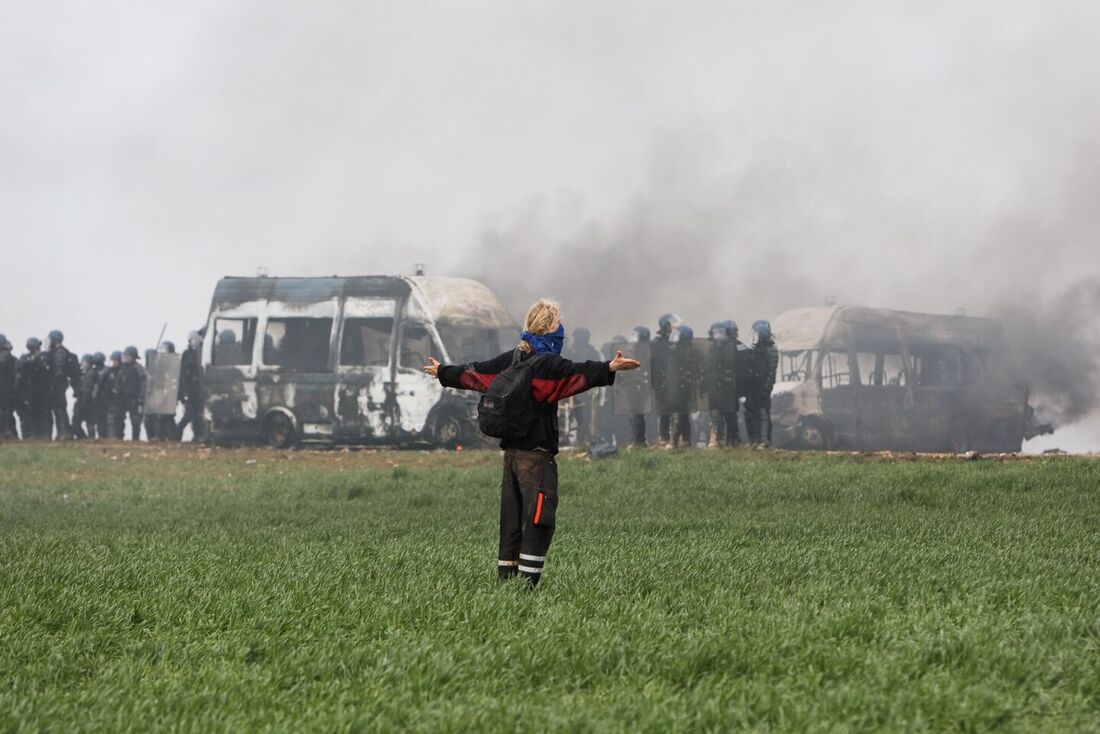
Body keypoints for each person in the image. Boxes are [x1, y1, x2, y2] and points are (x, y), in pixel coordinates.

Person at [423, 298, 640, 588]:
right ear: (550, 327)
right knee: (539, 519)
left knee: (511, 520)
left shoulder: (512, 358)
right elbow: (578, 373)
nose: (561, 326)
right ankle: (527, 587)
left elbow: (476, 372)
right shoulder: (548, 364)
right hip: (536, 457)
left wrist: (444, 372)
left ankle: (506, 583)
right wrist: (609, 367)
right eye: (558, 321)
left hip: (511, 456)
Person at [705, 321, 740, 448]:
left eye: (721, 333)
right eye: (716, 333)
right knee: (715, 414)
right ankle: (716, 438)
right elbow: (707, 369)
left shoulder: (733, 348)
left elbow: (740, 369)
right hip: (714, 388)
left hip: (730, 388)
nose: (718, 336)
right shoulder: (710, 350)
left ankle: (733, 439)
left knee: (730, 415)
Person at [745, 320, 779, 447]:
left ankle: (765, 440)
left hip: (763, 386)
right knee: (749, 412)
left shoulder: (772, 349)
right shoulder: (753, 349)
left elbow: (771, 371)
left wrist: (766, 388)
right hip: (753, 386)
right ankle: (753, 439)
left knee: (763, 412)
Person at [650, 313, 681, 449]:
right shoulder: (656, 343)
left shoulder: (678, 341)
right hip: (662, 382)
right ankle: (664, 439)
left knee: (678, 411)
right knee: (663, 412)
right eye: (672, 324)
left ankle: (677, 440)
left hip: (676, 381)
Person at [15, 337, 49, 439]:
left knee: (41, 413)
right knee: (32, 413)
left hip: (40, 389)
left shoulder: (43, 357)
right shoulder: (27, 358)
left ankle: (41, 434)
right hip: (30, 389)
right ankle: (34, 434)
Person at [625, 325, 651, 447]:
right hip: (631, 384)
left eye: (634, 336)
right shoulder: (631, 350)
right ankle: (638, 440)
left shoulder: (644, 351)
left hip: (639, 385)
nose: (631, 339)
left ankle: (637, 441)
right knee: (635, 413)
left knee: (636, 412)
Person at [177, 331, 205, 441]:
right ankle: (177, 433)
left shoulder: (203, 351)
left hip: (200, 388)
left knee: (197, 414)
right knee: (190, 414)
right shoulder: (187, 354)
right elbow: (182, 372)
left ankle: (197, 435)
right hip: (190, 389)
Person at [119, 346, 146, 441]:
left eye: (128, 356)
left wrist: (141, 398)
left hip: (135, 398)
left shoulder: (138, 368)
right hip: (124, 398)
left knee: (135, 420)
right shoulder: (123, 368)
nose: (125, 357)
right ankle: (119, 438)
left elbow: (143, 383)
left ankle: (135, 439)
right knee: (119, 418)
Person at [98, 351, 125, 439]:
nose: (114, 362)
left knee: (119, 419)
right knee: (110, 418)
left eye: (116, 360)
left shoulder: (123, 371)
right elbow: (101, 381)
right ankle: (111, 436)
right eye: (113, 360)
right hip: (109, 398)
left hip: (120, 399)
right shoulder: (108, 371)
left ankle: (117, 436)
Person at [72, 353, 97, 439]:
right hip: (85, 400)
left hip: (86, 401)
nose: (82, 364)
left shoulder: (90, 374)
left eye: (84, 362)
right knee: (87, 422)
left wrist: (83, 402)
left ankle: (86, 439)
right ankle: (87, 439)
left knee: (82, 422)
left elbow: (86, 389)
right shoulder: (85, 373)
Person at [0, 335, 16, 439]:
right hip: (5, 387)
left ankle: (6, 431)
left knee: (4, 410)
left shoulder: (4, 355)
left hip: (4, 387)